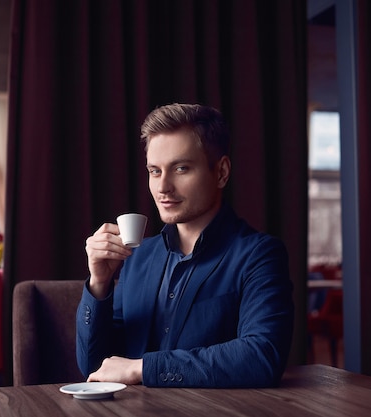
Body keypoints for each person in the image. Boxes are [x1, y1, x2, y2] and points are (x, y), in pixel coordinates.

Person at [77, 103, 294, 388]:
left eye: (180, 168)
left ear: (221, 172)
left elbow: (262, 357)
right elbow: (95, 366)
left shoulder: (259, 255)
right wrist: (99, 285)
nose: (163, 187)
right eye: (155, 171)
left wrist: (142, 369)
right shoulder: (139, 257)